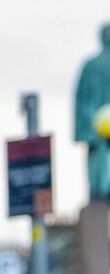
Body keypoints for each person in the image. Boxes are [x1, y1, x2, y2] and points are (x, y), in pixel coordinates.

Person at [75, 23, 110, 200]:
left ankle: (98, 191)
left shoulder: (90, 65)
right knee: (97, 155)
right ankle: (100, 191)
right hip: (99, 125)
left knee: (97, 155)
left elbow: (81, 101)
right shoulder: (91, 66)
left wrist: (85, 129)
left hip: (97, 124)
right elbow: (82, 98)